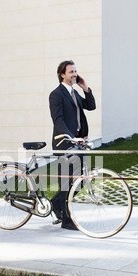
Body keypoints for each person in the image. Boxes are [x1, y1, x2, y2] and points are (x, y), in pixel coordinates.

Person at [49, 60, 96, 230]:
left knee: (81, 181)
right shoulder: (56, 94)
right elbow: (58, 120)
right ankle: (66, 220)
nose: (75, 74)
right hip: (64, 142)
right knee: (68, 182)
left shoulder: (75, 93)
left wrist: (85, 88)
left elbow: (91, 106)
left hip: (78, 142)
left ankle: (55, 203)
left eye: (76, 71)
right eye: (71, 72)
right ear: (62, 74)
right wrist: (70, 138)